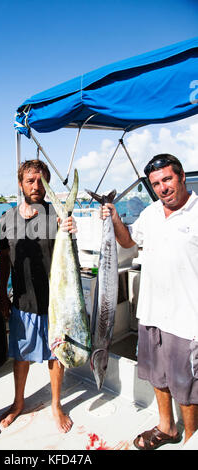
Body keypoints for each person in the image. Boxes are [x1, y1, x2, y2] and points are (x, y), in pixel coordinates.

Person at [101, 153, 198, 450]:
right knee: (158, 376)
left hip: (187, 317)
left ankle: (192, 439)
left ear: (181, 177)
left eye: (167, 179)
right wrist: (115, 217)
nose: (163, 188)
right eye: (156, 183)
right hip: (152, 312)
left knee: (187, 385)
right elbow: (129, 242)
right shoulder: (152, 213)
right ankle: (167, 427)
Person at [0, 159, 75, 433]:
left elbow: (68, 255)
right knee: (21, 356)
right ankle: (18, 402)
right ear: (20, 184)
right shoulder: (6, 219)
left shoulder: (57, 216)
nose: (36, 186)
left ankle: (56, 404)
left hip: (55, 304)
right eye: (30, 181)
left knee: (57, 355)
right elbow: (4, 257)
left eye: (41, 181)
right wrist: (1, 293)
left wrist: (70, 229)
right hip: (21, 301)